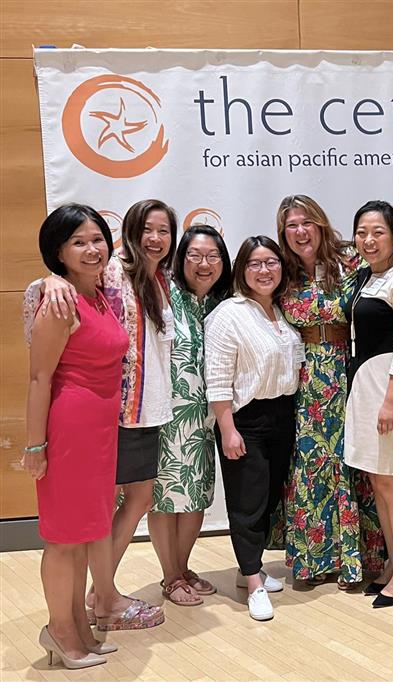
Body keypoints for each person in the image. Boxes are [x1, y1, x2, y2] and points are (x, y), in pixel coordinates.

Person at [29, 199, 176, 630]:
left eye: (165, 230)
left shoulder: (155, 279)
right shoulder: (111, 274)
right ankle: (101, 600)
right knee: (89, 520)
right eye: (147, 229)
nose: (156, 238)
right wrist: (49, 280)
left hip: (136, 411)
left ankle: (95, 603)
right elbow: (46, 300)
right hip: (110, 414)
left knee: (114, 508)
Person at [24, 205, 128, 669]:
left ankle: (79, 627)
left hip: (100, 432)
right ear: (59, 251)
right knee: (64, 539)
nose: (92, 249)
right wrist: (35, 446)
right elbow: (39, 378)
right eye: (78, 242)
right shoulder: (58, 301)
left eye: (97, 239)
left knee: (86, 534)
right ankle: (59, 630)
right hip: (70, 430)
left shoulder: (99, 293)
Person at [277, 195, 383, 588]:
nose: (300, 232)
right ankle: (315, 560)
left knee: (352, 460)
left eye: (306, 222)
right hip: (304, 378)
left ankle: (359, 560)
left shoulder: (351, 259)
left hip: (349, 368)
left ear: (320, 224)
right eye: (292, 225)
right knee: (311, 465)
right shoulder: (282, 271)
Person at [205, 236, 302, 621]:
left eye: (271, 262)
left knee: (268, 499)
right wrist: (227, 429)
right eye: (255, 264)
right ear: (241, 270)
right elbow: (217, 378)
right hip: (245, 419)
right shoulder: (228, 314)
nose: (265, 271)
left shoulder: (281, 310)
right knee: (247, 502)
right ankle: (253, 583)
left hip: (282, 414)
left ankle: (252, 567)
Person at [344, 200, 393, 608]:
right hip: (366, 386)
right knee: (378, 482)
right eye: (362, 232)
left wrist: (391, 400)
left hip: (391, 389)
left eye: (378, 232)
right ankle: (392, 560)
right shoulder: (366, 278)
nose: (369, 240)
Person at [147, 225, 232, 606]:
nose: (204, 263)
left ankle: (182, 569)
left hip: (205, 421)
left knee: (195, 497)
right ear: (180, 259)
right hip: (168, 419)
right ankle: (170, 576)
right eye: (195, 255)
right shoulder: (162, 294)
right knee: (166, 499)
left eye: (213, 256)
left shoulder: (220, 303)